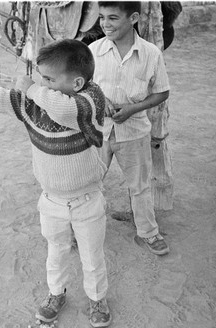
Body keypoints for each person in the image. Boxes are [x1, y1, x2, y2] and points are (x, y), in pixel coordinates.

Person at [0, 39, 112, 328]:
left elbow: (64, 110)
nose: (41, 84)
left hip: (87, 200)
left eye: (49, 79)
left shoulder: (90, 100)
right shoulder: (37, 102)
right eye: (41, 78)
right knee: (56, 251)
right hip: (51, 200)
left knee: (92, 256)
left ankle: (97, 298)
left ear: (78, 82)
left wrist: (31, 88)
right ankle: (57, 294)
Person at [89, 1, 170, 256]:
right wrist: (99, 102)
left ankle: (147, 232)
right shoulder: (92, 51)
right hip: (97, 131)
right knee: (88, 183)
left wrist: (133, 109)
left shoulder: (150, 53)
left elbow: (161, 92)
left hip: (134, 132)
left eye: (113, 18)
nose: (105, 24)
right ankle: (79, 229)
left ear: (133, 18)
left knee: (140, 185)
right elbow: (82, 86)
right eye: (102, 17)